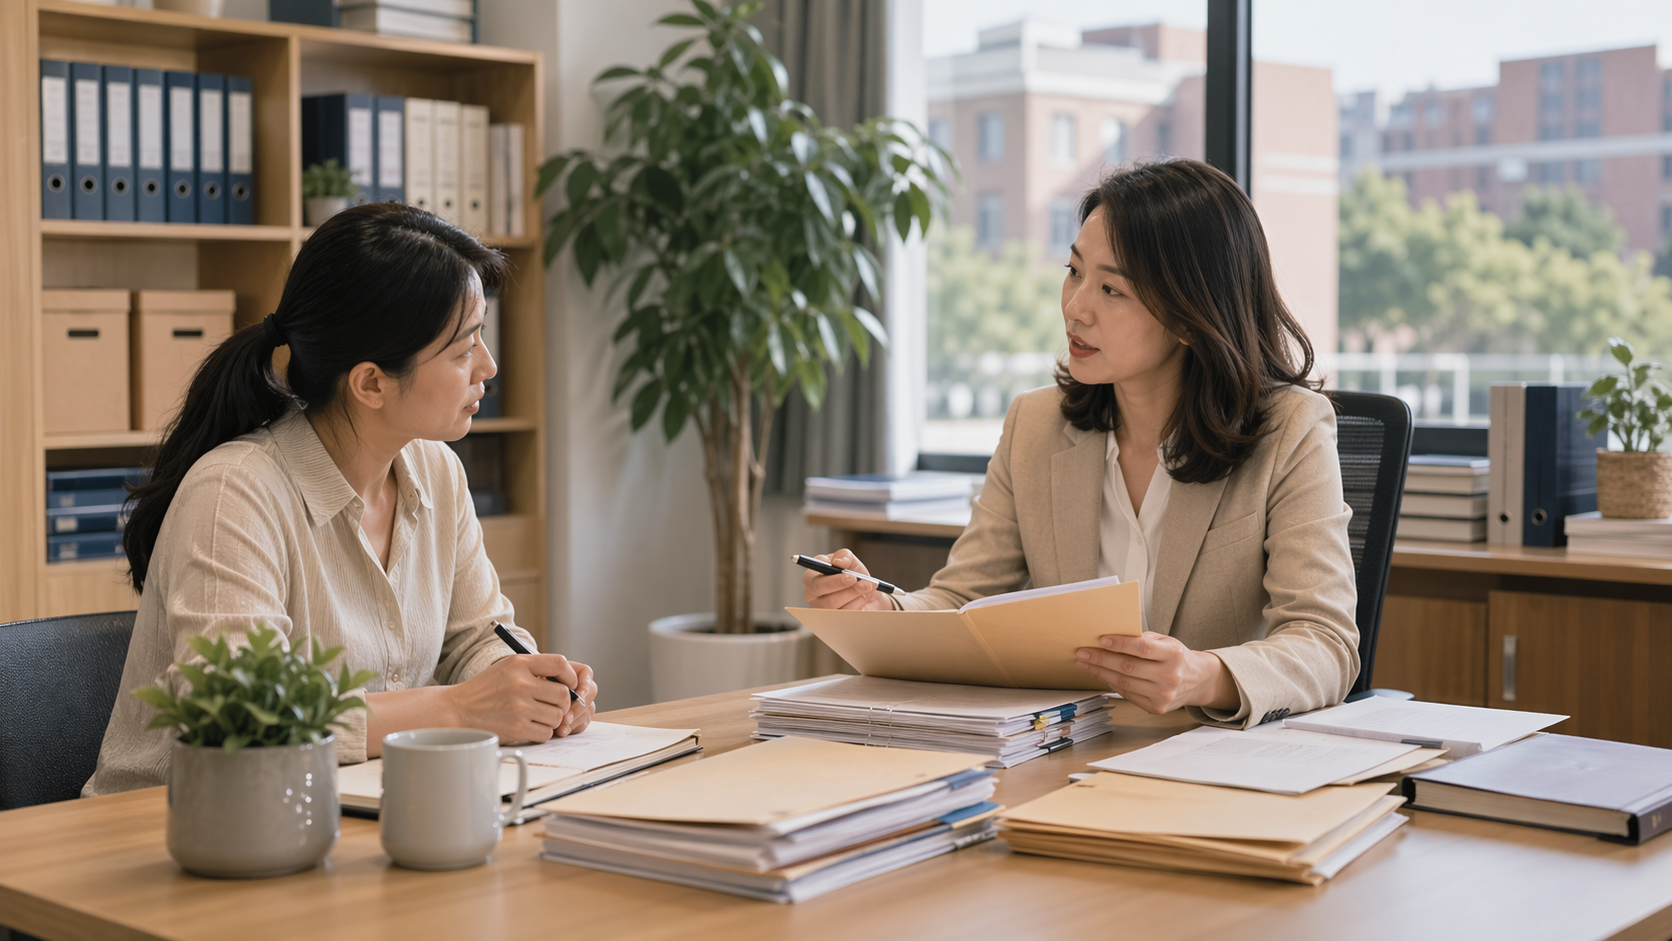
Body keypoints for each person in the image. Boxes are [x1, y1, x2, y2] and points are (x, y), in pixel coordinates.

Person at [803, 159, 1358, 729]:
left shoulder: (1290, 428)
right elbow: (959, 601)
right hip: (1069, 744)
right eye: (1074, 272)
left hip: (1211, 753)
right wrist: (883, 608)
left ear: (1194, 313)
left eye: (1112, 289)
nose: (1075, 307)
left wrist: (1204, 674)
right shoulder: (1034, 424)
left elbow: (1326, 642)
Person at [86, 203, 597, 796]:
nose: (489, 365)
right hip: (179, 832)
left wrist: (530, 690)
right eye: (463, 349)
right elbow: (245, 721)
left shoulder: (436, 472)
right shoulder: (235, 492)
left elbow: (478, 638)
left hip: (341, 812)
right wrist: (460, 709)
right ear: (371, 383)